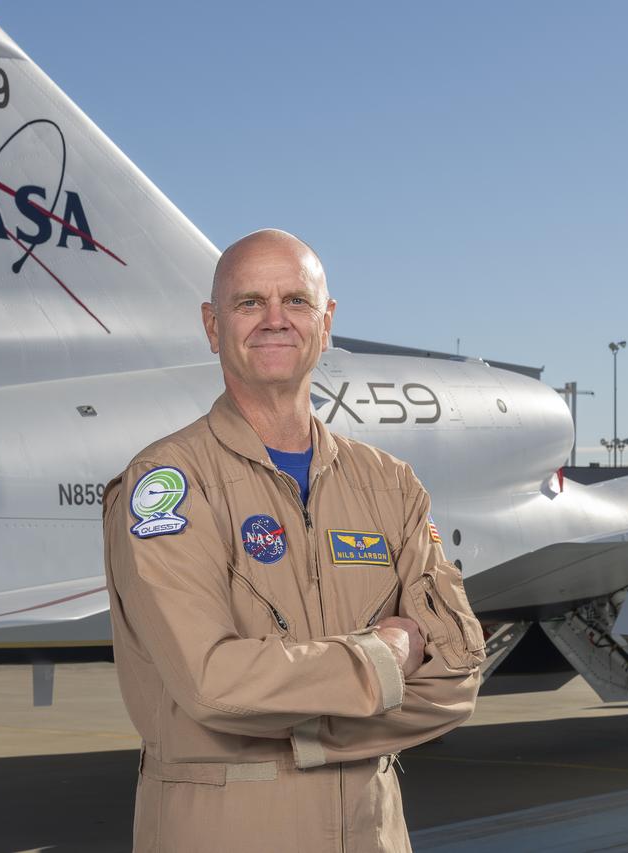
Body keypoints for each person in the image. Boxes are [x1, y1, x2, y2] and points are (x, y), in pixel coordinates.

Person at [102, 229, 486, 852]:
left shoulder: (388, 485)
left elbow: (458, 675)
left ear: (326, 320)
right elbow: (212, 684)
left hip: (372, 835)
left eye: (297, 302)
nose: (275, 320)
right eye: (249, 302)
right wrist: (387, 655)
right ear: (212, 324)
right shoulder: (168, 483)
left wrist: (299, 731)